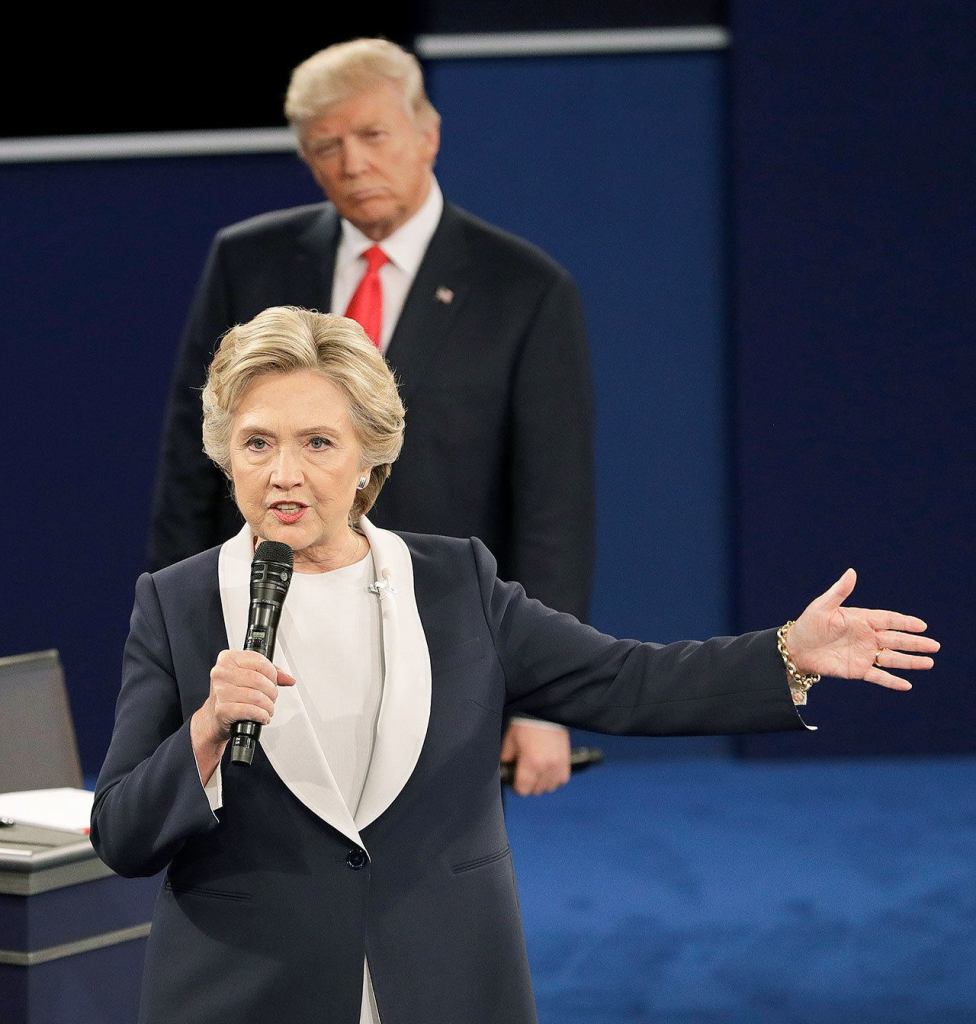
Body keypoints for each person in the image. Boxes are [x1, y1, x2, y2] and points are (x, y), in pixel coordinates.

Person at [93, 306, 938, 1024]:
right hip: (247, 993)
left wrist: (786, 652)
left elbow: (622, 679)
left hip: (446, 982)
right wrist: (203, 733)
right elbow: (121, 832)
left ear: (368, 461)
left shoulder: (455, 581)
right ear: (225, 456)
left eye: (318, 442)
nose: (285, 473)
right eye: (256, 443)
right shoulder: (178, 603)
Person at [147, 37, 594, 795]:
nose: (352, 162)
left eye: (372, 135)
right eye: (326, 145)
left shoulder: (524, 289)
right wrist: (172, 653)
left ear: (429, 133)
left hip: (439, 645)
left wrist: (543, 699)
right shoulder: (247, 261)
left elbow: (553, 505)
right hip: (267, 641)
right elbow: (193, 471)